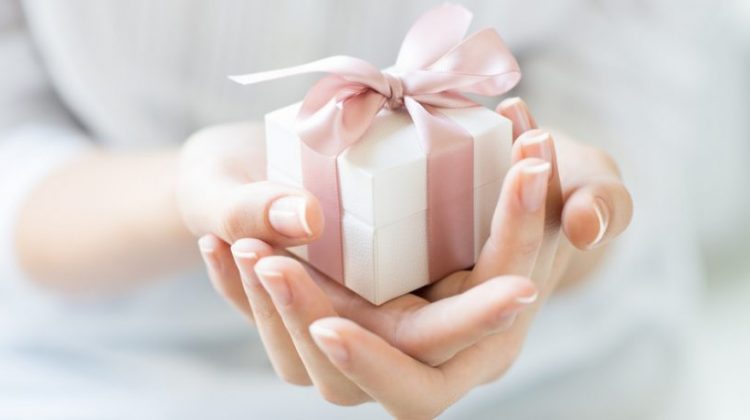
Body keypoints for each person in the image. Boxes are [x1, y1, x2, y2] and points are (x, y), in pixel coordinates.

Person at [0, 1, 707, 418]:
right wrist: (184, 192)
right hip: (107, 367)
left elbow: (637, 67)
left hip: (560, 365)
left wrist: (559, 219)